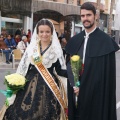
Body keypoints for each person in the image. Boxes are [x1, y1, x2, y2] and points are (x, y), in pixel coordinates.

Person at [3, 19, 68, 120]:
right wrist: (16, 83)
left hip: (48, 86)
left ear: (52, 33)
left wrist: (74, 73)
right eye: (41, 32)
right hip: (29, 84)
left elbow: (60, 71)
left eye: (47, 32)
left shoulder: (56, 50)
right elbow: (25, 67)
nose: (44, 34)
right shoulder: (32, 48)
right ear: (37, 33)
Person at [65, 2, 119, 120]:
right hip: (77, 97)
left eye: (88, 15)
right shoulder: (75, 40)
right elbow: (69, 66)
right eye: (83, 16)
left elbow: (105, 77)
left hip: (96, 99)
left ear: (96, 16)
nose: (85, 19)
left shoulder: (105, 42)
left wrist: (84, 88)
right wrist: (74, 85)